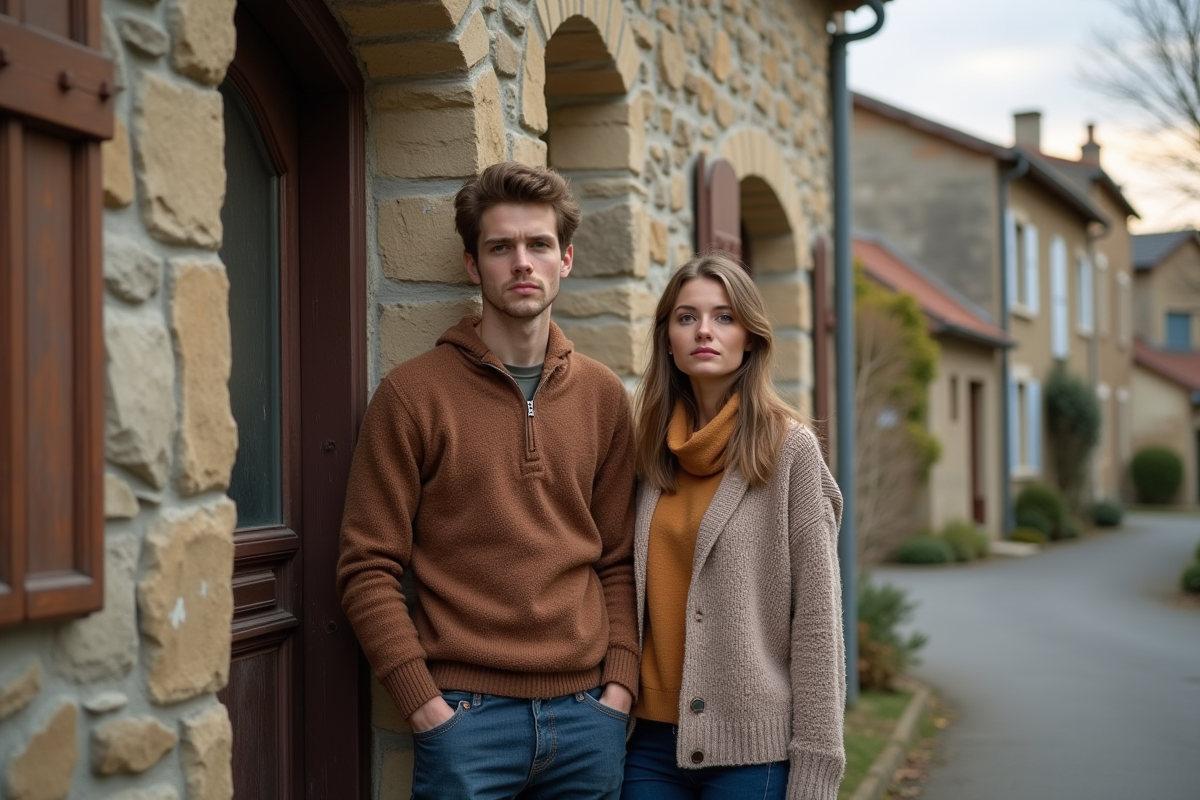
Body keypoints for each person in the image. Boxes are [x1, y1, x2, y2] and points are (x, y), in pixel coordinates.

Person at [337, 162, 638, 800]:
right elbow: (367, 565)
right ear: (474, 266)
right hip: (466, 721)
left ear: (566, 260)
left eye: (538, 245)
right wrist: (424, 706)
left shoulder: (603, 396)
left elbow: (617, 560)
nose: (521, 263)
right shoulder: (414, 395)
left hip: (589, 720)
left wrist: (620, 690)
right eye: (501, 248)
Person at [623, 252, 846, 800]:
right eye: (686, 317)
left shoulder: (789, 451)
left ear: (750, 338)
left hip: (754, 754)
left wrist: (816, 770)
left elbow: (818, 621)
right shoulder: (647, 452)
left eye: (724, 317)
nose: (704, 330)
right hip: (648, 743)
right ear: (667, 340)